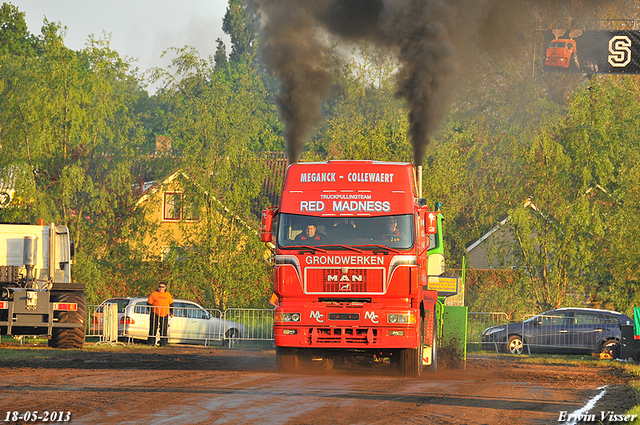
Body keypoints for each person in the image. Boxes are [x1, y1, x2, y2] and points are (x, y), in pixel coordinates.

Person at [147, 281, 174, 347]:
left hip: (164, 314)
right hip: (155, 313)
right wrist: (151, 311)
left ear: (165, 288)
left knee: (163, 329)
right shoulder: (154, 294)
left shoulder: (168, 294)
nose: (161, 288)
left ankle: (163, 343)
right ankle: (151, 342)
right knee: (153, 328)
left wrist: (172, 312)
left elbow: (171, 304)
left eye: (162, 287)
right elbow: (149, 303)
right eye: (159, 287)